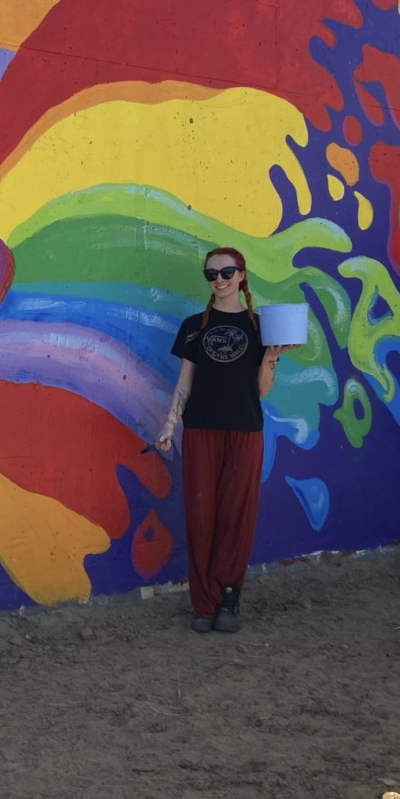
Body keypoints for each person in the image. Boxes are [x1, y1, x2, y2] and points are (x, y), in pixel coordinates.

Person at [156, 247, 294, 633]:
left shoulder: (260, 328)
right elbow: (185, 381)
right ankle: (204, 603)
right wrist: (170, 424)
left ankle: (229, 596)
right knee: (201, 517)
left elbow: (262, 391)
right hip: (200, 430)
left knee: (237, 516)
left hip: (245, 430)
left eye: (226, 271)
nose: (219, 279)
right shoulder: (193, 326)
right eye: (211, 274)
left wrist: (271, 357)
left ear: (242, 275)